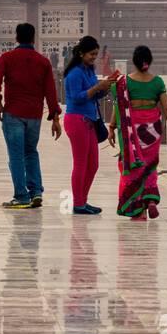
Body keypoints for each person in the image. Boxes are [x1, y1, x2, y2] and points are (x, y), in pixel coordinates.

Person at [0, 23, 62, 210]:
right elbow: (51, 91)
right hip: (34, 115)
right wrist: (55, 117)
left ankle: (21, 196)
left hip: (13, 113)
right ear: (34, 38)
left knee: (16, 155)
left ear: (16, 38)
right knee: (31, 152)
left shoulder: (7, 58)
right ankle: (36, 191)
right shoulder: (43, 62)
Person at [108, 44, 167, 220]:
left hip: (132, 131)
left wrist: (111, 127)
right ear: (150, 61)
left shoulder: (124, 82)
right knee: (150, 164)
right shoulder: (157, 82)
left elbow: (119, 106)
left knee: (132, 165)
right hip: (153, 130)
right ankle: (150, 198)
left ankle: (137, 208)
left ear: (134, 61)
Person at [62, 35, 115, 215]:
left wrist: (106, 87)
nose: (94, 57)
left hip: (90, 120)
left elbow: (94, 95)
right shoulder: (74, 73)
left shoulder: (89, 71)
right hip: (77, 120)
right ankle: (78, 203)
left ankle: (83, 200)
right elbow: (76, 97)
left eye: (96, 54)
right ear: (81, 53)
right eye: (91, 54)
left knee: (93, 164)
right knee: (80, 163)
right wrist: (97, 88)